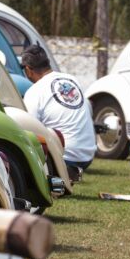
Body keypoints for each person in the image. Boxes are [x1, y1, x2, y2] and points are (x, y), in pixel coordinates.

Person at [21, 44, 96, 177]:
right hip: (87, 155)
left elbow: (28, 129)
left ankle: (61, 171)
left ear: (28, 69)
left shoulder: (34, 91)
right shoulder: (72, 79)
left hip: (64, 156)